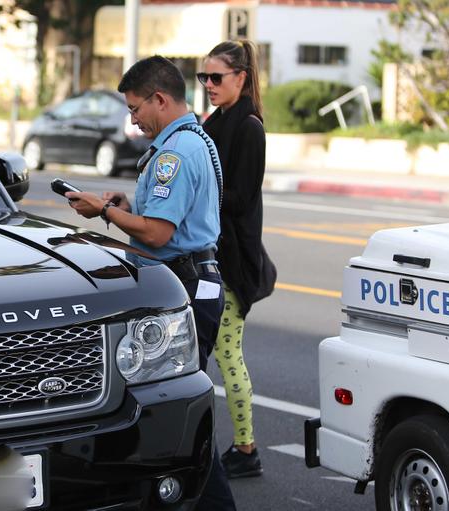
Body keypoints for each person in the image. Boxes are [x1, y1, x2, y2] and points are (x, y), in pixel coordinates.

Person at [65, 55, 236, 511]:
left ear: (160, 99)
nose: (133, 119)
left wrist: (103, 212)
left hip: (186, 283)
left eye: (136, 107)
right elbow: (165, 219)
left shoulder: (175, 153)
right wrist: (127, 205)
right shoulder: (192, 138)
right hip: (196, 277)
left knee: (178, 410)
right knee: (178, 406)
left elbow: (159, 233)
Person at [199, 40, 267, 479]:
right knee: (205, 354)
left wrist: (199, 195)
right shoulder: (214, 122)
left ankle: (246, 450)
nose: (208, 85)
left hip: (233, 262)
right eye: (203, 77)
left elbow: (241, 198)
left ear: (240, 78)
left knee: (227, 355)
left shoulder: (249, 128)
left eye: (216, 77)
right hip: (209, 257)